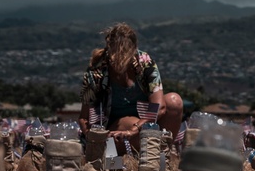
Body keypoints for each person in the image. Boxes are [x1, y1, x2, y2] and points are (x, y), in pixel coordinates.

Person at [78, 22, 183, 153]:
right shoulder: (96, 72)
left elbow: (160, 107)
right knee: (130, 122)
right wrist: (92, 136)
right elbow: (84, 117)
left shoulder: (145, 63)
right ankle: (148, 152)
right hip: (115, 128)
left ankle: (162, 153)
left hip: (141, 124)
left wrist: (135, 128)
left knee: (174, 101)